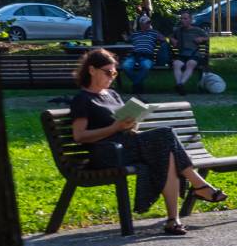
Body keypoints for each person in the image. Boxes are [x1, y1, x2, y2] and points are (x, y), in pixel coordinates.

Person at [68, 49, 227, 235]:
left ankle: (173, 220)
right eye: (108, 72)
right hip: (107, 153)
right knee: (165, 136)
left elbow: (123, 127)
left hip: (126, 146)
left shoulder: (112, 94)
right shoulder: (82, 99)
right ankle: (199, 186)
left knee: (168, 156)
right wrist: (115, 128)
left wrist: (131, 124)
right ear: (92, 70)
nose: (112, 76)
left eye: (114, 72)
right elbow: (79, 136)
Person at [120, 16, 165, 92]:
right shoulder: (135, 34)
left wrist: (160, 37)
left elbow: (163, 39)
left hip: (147, 56)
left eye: (149, 22)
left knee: (146, 66)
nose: (148, 24)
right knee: (125, 66)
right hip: (134, 55)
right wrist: (125, 38)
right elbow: (127, 40)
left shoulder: (154, 32)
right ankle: (138, 84)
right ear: (140, 24)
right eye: (146, 23)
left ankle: (135, 85)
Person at [170, 11, 210, 95]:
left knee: (190, 64)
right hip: (182, 54)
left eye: (185, 18)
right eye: (181, 18)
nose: (182, 20)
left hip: (194, 54)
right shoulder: (178, 30)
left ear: (190, 20)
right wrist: (173, 40)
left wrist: (202, 39)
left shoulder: (197, 30)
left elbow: (207, 37)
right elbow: (171, 37)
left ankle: (181, 84)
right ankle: (179, 84)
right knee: (176, 64)